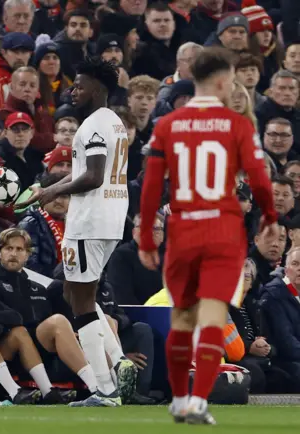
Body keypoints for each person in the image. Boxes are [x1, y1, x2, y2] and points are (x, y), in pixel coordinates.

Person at [138, 46, 279, 425]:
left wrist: (148, 238)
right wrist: (268, 214)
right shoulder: (237, 126)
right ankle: (199, 402)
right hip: (221, 230)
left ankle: (180, 398)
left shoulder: (167, 125)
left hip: (183, 230)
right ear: (219, 81)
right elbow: (260, 179)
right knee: (214, 316)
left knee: (182, 317)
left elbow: (152, 186)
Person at [18, 57, 133, 408]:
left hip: (90, 221)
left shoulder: (93, 127)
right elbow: (85, 171)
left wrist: (51, 192)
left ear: (97, 88)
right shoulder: (113, 122)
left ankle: (104, 388)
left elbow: (94, 176)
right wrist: (49, 188)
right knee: (74, 290)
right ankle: (119, 359)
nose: (73, 90)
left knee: (81, 302)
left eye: (79, 85)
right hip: (111, 217)